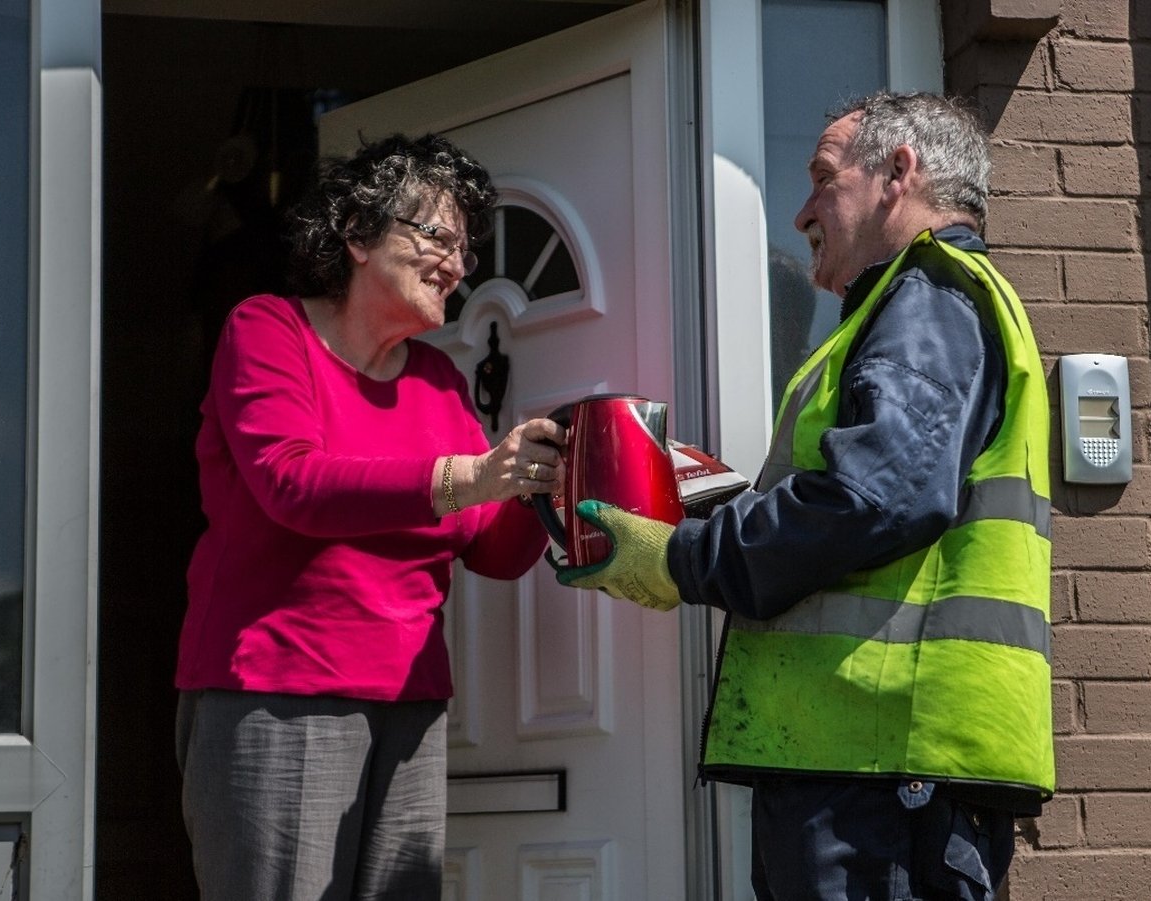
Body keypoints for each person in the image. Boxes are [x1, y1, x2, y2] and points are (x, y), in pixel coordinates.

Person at [558, 91, 1053, 900]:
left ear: (899, 173)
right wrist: (691, 492)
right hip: (876, 767)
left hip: (886, 768)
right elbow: (860, 492)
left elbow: (876, 496)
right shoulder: (918, 306)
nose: (800, 213)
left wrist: (680, 558)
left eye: (823, 178)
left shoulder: (929, 295)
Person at [173, 133, 567, 901]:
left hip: (411, 705)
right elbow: (293, 482)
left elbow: (485, 545)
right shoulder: (268, 331)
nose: (456, 263)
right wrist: (470, 476)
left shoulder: (439, 379)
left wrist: (550, 488)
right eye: (437, 236)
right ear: (356, 235)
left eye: (465, 249)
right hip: (280, 692)